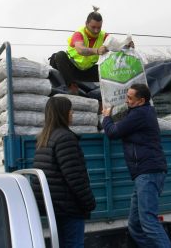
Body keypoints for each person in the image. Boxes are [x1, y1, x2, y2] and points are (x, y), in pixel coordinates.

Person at [101, 83, 171, 248]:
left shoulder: (140, 114)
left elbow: (113, 133)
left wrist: (106, 117)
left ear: (141, 101)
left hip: (148, 172)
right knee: (135, 225)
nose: (126, 101)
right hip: (143, 173)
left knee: (148, 222)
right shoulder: (138, 113)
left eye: (129, 98)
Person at [33, 96, 96, 248]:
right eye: (70, 110)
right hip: (69, 208)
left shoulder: (45, 137)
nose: (72, 113)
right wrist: (89, 203)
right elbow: (75, 177)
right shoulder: (65, 138)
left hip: (54, 207)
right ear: (63, 113)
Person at [49, 6, 109, 95]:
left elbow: (116, 44)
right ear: (86, 24)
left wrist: (126, 44)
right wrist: (96, 51)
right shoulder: (79, 34)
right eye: (93, 27)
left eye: (99, 27)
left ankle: (109, 91)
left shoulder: (103, 35)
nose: (96, 30)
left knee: (106, 69)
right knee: (59, 55)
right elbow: (80, 49)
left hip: (86, 71)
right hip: (71, 69)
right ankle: (71, 86)